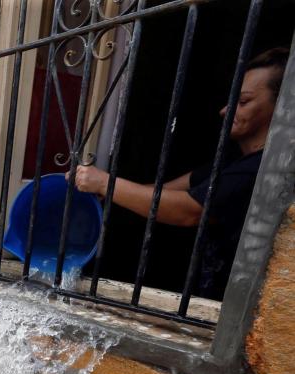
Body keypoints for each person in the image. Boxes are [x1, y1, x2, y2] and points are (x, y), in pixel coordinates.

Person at [71, 48, 288, 299]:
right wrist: (107, 192)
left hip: (234, 304)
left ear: (281, 107)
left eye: (243, 102)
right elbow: (168, 191)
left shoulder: (260, 169)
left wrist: (104, 183)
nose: (225, 111)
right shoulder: (233, 160)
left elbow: (190, 211)